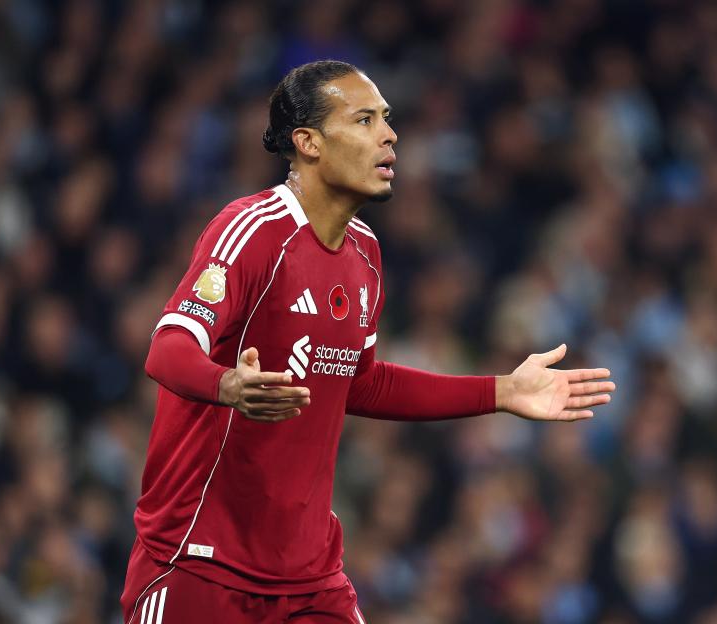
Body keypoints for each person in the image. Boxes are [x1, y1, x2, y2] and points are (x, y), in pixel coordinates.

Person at [120, 60, 615, 624]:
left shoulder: (366, 255)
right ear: (308, 143)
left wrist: (502, 391)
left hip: (308, 578)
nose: (389, 135)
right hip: (199, 566)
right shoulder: (253, 231)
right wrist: (227, 383)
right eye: (363, 120)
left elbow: (362, 382)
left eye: (386, 119)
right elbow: (167, 349)